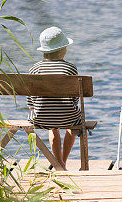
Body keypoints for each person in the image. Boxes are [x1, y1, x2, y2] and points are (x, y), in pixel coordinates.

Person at [27, 26, 82, 169]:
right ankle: (62, 162)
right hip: (68, 117)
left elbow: (31, 103)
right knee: (73, 124)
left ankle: (59, 165)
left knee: (53, 127)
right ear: (62, 50)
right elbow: (74, 101)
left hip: (40, 118)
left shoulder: (34, 69)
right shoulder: (70, 69)